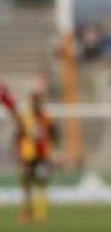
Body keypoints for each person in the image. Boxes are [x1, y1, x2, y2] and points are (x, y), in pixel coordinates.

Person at [12, 92, 57, 223]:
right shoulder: (26, 118)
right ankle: (27, 212)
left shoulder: (47, 118)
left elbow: (54, 135)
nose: (35, 104)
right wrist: (18, 152)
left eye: (37, 101)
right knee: (26, 184)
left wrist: (55, 151)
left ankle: (40, 214)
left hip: (43, 156)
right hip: (28, 156)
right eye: (33, 101)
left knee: (41, 183)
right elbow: (19, 135)